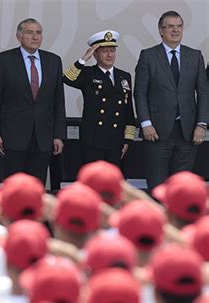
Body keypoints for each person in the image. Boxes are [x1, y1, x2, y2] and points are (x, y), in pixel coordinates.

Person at [0, 18, 66, 185]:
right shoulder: (3, 60)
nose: (35, 37)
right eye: (29, 32)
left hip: (43, 137)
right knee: (14, 187)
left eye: (38, 32)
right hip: (12, 136)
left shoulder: (54, 61)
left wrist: (59, 135)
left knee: (37, 187)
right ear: (19, 36)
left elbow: (58, 101)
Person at [134, 10, 209, 190]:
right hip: (157, 132)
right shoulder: (148, 56)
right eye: (170, 27)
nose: (175, 30)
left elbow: (204, 93)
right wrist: (145, 124)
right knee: (158, 187)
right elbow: (140, 93)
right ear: (161, 31)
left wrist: (202, 124)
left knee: (181, 188)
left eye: (179, 26)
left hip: (188, 133)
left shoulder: (195, 56)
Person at [63, 30, 135, 167]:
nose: (109, 55)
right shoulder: (88, 73)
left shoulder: (124, 76)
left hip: (117, 139)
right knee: (94, 181)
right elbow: (67, 78)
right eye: (104, 51)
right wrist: (84, 59)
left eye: (112, 51)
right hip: (94, 139)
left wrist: (128, 139)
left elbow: (128, 110)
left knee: (114, 183)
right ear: (95, 54)